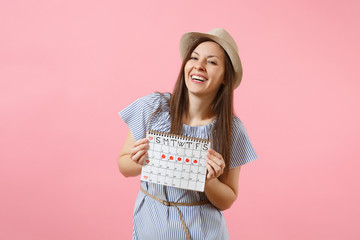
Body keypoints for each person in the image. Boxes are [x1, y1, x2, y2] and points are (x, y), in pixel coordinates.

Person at [118, 28, 257, 240]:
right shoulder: (152, 107)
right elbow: (123, 166)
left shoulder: (232, 129)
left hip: (204, 232)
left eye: (211, 62)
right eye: (194, 57)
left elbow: (228, 199)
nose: (199, 66)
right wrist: (140, 160)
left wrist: (209, 180)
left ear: (224, 78)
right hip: (150, 227)